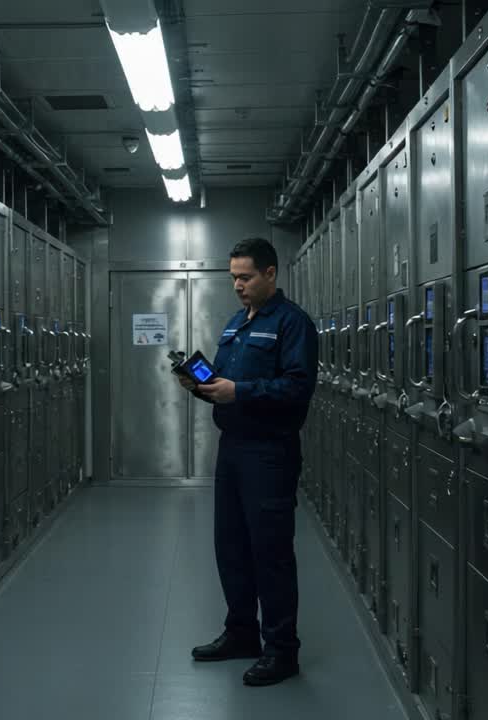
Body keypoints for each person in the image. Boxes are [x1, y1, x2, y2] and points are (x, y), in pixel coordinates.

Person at [177, 237, 318, 686]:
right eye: (233, 277)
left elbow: (297, 388)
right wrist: (203, 387)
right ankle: (241, 633)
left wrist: (241, 391)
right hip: (233, 449)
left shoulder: (292, 324)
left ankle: (282, 650)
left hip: (270, 453)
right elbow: (224, 381)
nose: (237, 285)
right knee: (231, 547)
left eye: (245, 277)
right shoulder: (237, 323)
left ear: (270, 274)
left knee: (270, 553)